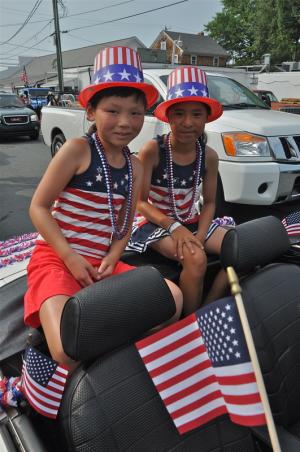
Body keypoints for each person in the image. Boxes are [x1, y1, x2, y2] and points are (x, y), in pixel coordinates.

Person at [24, 46, 183, 370]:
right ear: (91, 112)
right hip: (57, 259)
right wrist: (70, 256)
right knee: (66, 349)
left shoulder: (135, 167)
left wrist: (113, 256)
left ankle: (117, 364)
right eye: (113, 111)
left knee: (173, 299)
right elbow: (38, 207)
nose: (125, 122)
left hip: (101, 264)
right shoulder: (77, 150)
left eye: (136, 113)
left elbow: (124, 224)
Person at [128, 66, 235, 316]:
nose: (187, 123)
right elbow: (140, 203)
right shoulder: (153, 150)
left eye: (196, 114)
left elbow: (208, 203)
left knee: (242, 246)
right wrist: (175, 228)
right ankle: (188, 323)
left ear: (206, 117)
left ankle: (208, 307)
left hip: (192, 221)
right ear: (168, 117)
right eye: (179, 114)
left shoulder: (208, 156)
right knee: (195, 259)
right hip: (155, 223)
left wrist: (197, 237)